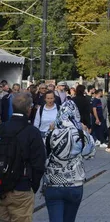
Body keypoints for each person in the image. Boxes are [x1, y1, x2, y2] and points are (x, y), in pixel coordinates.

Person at [43, 100, 95, 222]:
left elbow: (44, 153)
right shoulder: (80, 133)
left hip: (53, 184)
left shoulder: (51, 132)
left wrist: (50, 131)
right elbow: (89, 153)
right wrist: (85, 132)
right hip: (74, 184)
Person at [0, 91, 46, 222]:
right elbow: (39, 163)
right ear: (29, 108)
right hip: (22, 186)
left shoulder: (2, 128)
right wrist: (33, 186)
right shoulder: (32, 132)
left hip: (2, 186)